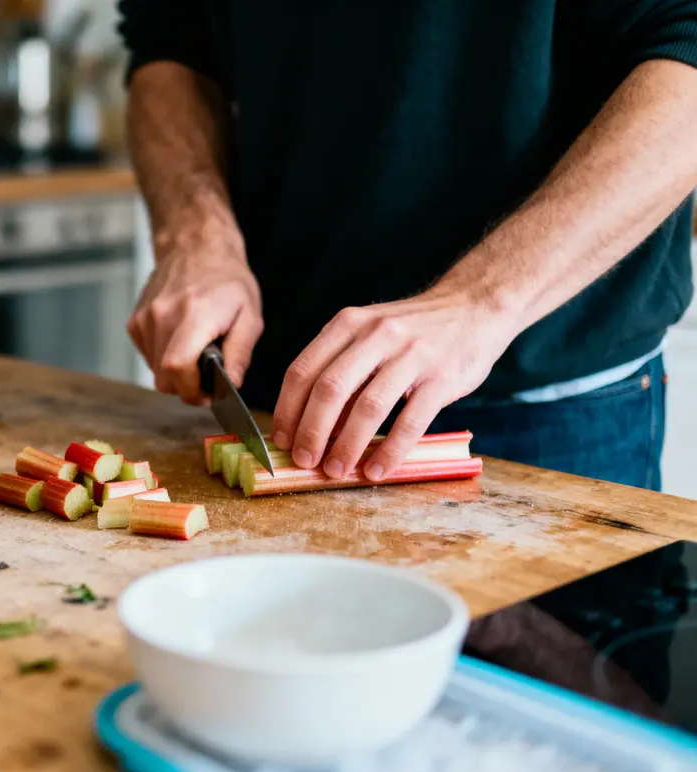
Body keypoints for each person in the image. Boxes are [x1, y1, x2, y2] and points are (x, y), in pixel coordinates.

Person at [117, 1, 697, 491]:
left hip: (552, 404)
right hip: (280, 384)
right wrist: (195, 233)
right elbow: (172, 42)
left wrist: (484, 299)